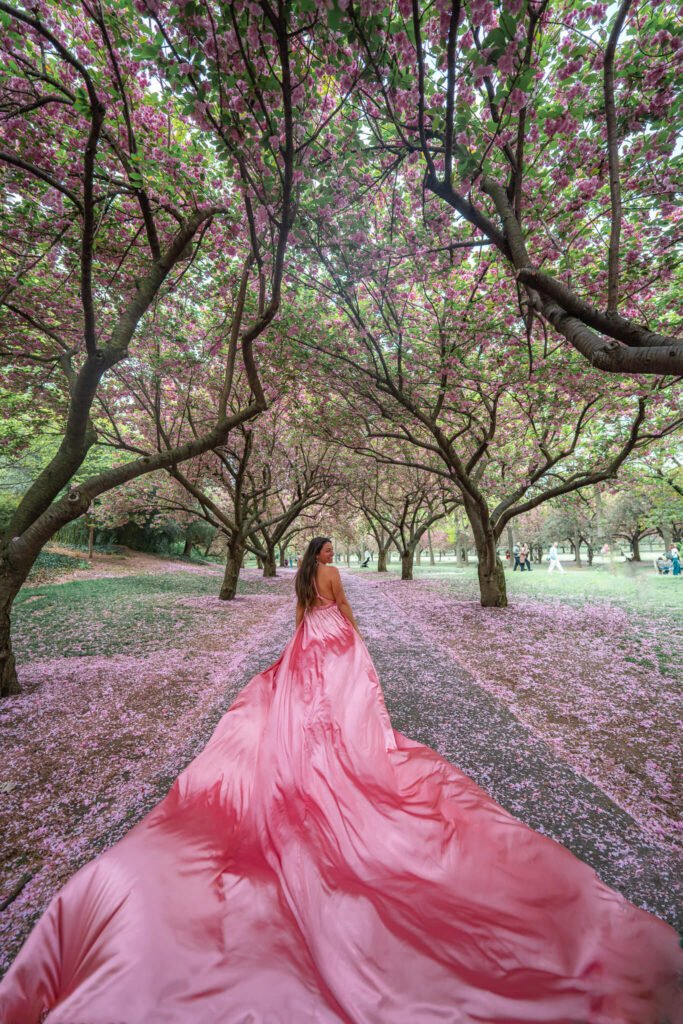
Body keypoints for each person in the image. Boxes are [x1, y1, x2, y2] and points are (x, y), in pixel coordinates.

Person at [1, 535, 681, 1023]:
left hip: (305, 638)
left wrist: (305, 642)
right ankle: (337, 741)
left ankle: (322, 732)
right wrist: (356, 641)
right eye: (329, 552)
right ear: (325, 556)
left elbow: (303, 618)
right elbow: (342, 610)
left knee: (309, 696)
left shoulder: (301, 584)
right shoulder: (329, 579)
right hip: (334, 637)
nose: (330, 559)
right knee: (342, 696)